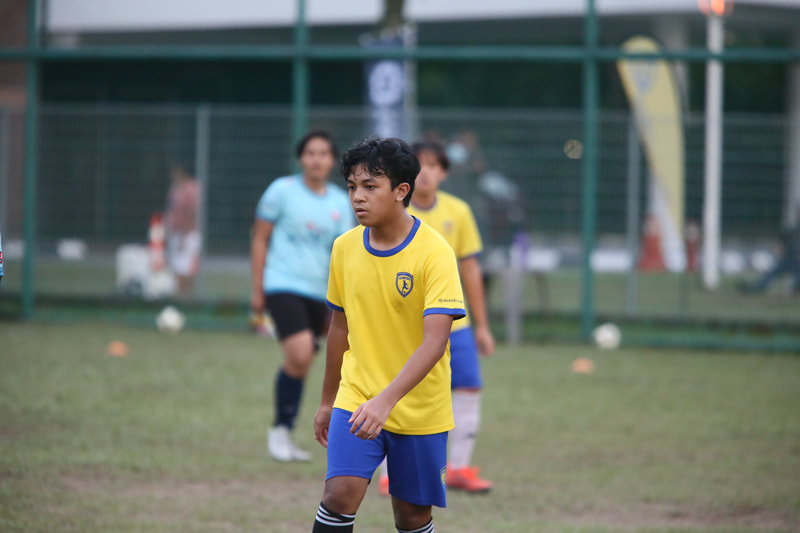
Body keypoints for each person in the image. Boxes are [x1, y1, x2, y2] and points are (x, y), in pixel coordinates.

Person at [312, 137, 466, 533]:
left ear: (401, 191)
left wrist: (386, 402)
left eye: (370, 186)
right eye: (352, 186)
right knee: (339, 495)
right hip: (357, 395)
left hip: (419, 407)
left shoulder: (434, 252)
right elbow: (340, 327)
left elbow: (435, 342)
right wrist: (328, 400)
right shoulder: (344, 248)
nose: (357, 197)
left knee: (412, 517)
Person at [378, 139, 496, 495]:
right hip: (405, 326)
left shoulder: (458, 212)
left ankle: (458, 468)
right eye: (420, 165)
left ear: (444, 172)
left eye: (434, 165)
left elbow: (470, 269)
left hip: (453, 323)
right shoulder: (393, 211)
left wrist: (482, 326)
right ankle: (389, 473)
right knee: (398, 389)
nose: (426, 172)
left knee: (469, 386)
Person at [251, 130, 354, 462]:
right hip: (282, 284)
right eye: (311, 153)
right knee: (299, 355)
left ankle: (285, 430)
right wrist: (257, 288)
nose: (317, 159)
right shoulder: (281, 191)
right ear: (300, 159)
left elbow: (343, 253)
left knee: (304, 361)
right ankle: (279, 431)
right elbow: (260, 238)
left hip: (321, 293)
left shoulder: (340, 201)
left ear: (332, 160)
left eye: (323, 153)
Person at [164, 165, 201, 295]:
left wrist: (184, 235)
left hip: (187, 234)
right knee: (175, 268)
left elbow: (192, 212)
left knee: (185, 269)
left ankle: (185, 296)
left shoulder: (192, 188)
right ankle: (179, 295)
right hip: (175, 232)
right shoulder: (175, 186)